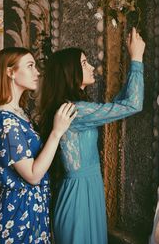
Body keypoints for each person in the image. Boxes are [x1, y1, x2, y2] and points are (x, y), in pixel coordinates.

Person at [38, 27, 145, 244]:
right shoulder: (75, 110)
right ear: (70, 72)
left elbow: (118, 106)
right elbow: (132, 104)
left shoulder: (76, 108)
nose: (92, 67)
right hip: (78, 196)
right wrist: (136, 59)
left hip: (87, 189)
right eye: (85, 63)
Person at [0, 47, 77, 244]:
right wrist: (56, 131)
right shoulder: (6, 121)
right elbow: (33, 175)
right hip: (19, 214)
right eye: (30, 66)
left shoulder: (20, 113)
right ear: (10, 72)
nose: (37, 72)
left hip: (34, 208)